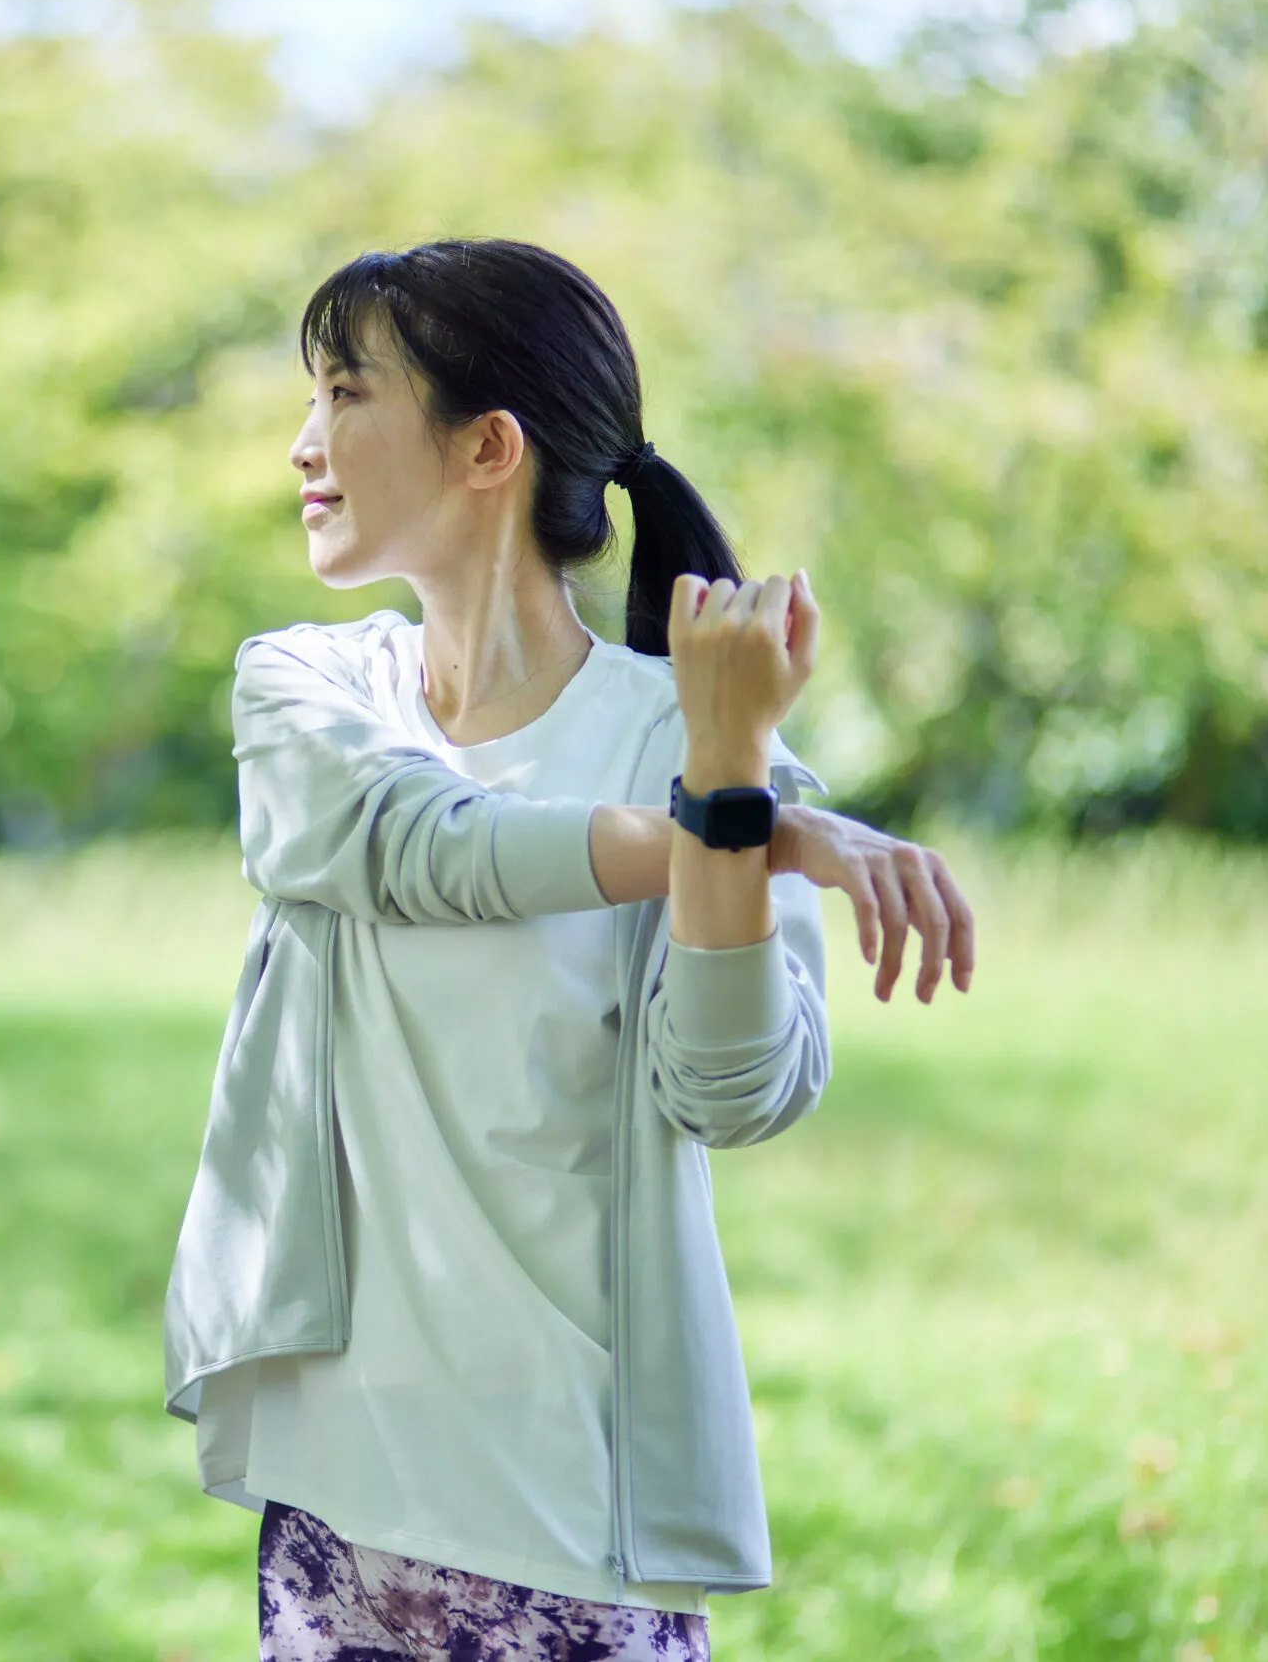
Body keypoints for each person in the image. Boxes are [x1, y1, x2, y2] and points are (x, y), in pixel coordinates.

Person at [159, 239, 977, 1662]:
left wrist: (732, 783)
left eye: (345, 394)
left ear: (488, 446)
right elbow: (428, 851)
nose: (302, 444)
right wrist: (753, 836)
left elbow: (731, 1090)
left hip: (572, 1517)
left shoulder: (683, 733)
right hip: (339, 1504)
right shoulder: (309, 693)